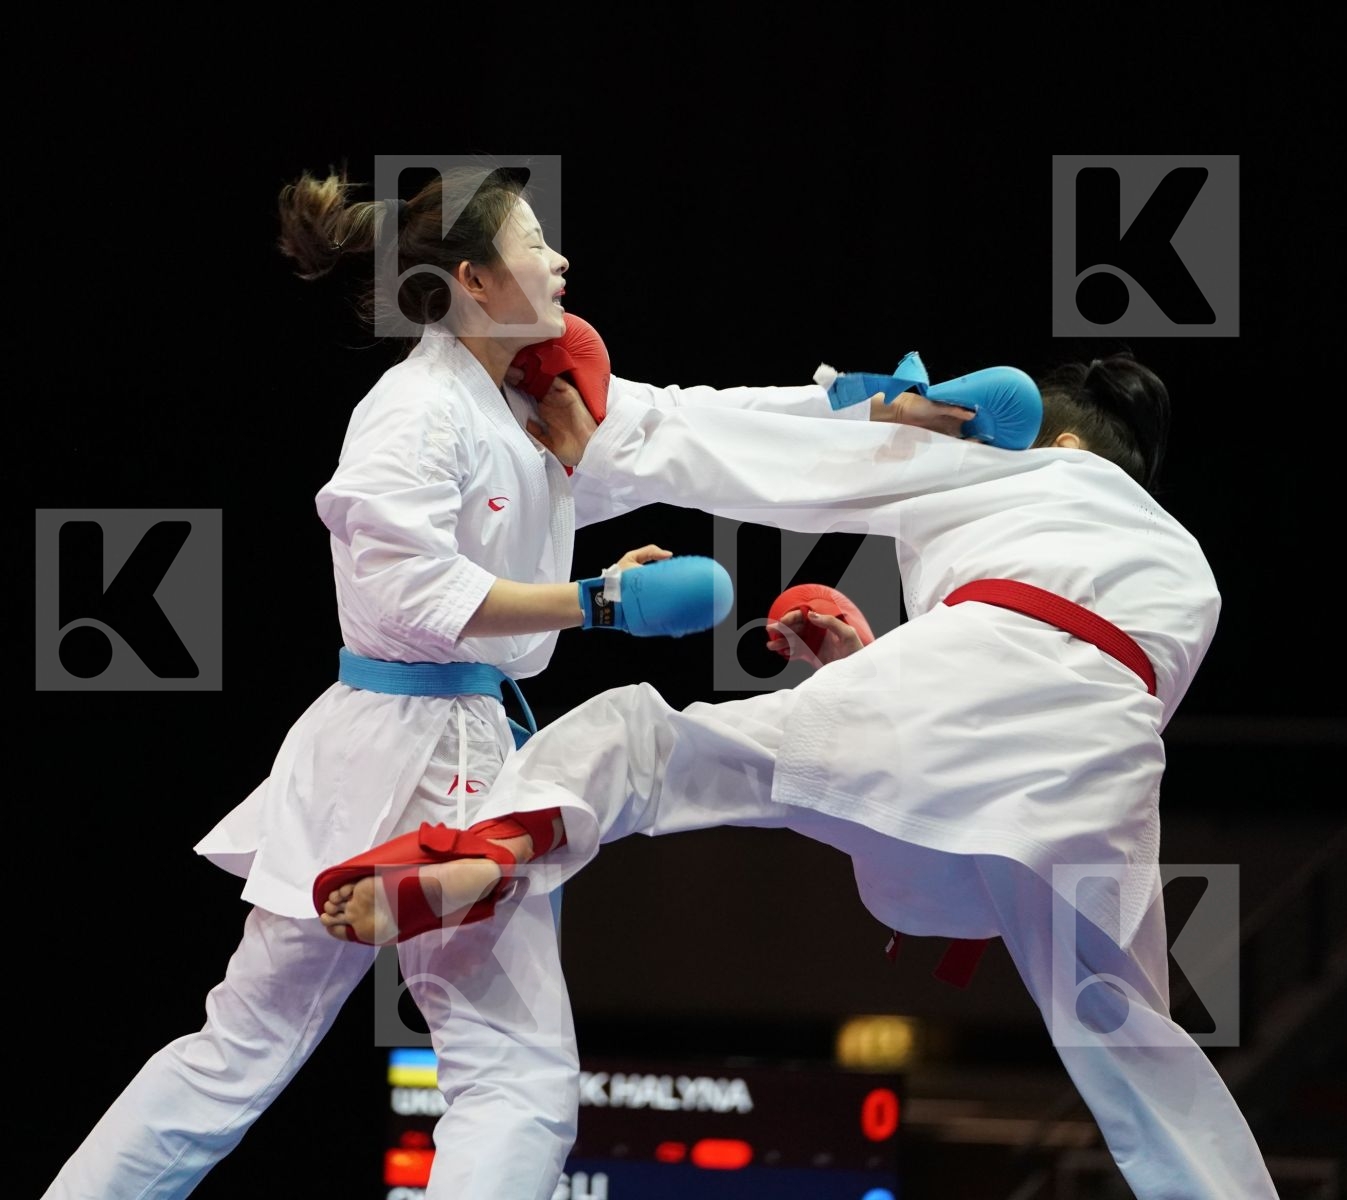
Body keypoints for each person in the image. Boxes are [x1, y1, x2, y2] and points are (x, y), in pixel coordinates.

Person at [321, 350, 1281, 1198]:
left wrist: (607, 438)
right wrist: (863, 663)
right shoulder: (1192, 570)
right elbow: (1038, 694)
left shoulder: (1013, 464)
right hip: (1089, 787)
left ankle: (491, 846)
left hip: (949, 707)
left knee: (645, 743)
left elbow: (785, 461)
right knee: (1133, 1041)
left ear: (1060, 442)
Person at [40, 164, 800, 1200]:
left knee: (238, 1053)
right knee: (514, 1079)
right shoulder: (413, 408)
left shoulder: (518, 404)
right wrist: (597, 605)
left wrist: (849, 412)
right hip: (423, 742)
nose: (562, 259)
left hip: (394, 741)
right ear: (478, 280)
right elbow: (409, 591)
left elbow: (678, 432)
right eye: (539, 243)